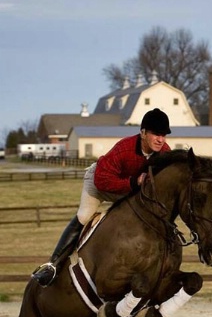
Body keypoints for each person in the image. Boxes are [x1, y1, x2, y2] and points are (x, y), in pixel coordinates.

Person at [32, 108, 172, 287]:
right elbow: (102, 181)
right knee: (84, 216)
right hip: (98, 182)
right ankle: (53, 265)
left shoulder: (164, 153)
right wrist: (133, 183)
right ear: (143, 132)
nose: (160, 140)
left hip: (128, 188)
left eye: (164, 135)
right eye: (156, 134)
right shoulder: (124, 148)